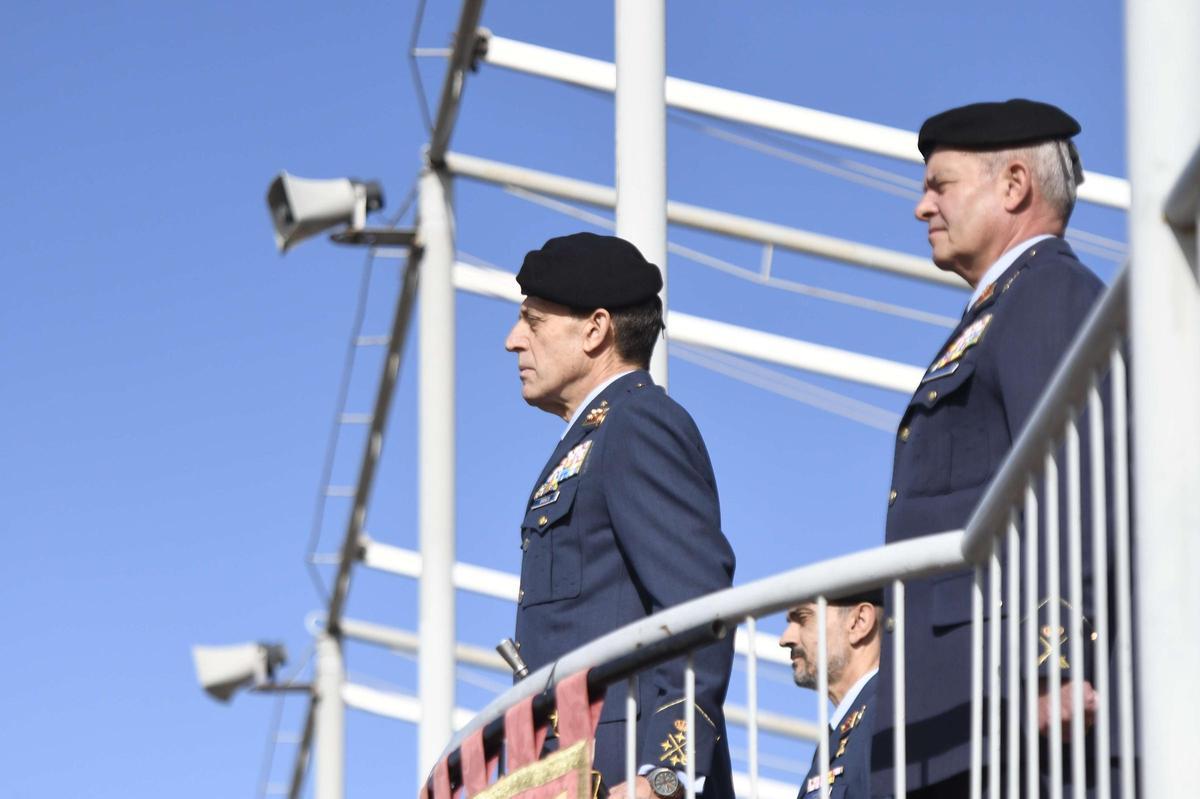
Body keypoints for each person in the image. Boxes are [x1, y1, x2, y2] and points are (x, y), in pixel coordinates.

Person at [869, 99, 1107, 797]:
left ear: (1013, 185)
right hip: (951, 701)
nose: (921, 207)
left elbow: (1073, 478)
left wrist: (1055, 661)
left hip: (1003, 704)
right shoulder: (1004, 306)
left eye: (939, 185)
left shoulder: (1048, 294)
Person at [505, 232, 737, 799]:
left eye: (532, 322)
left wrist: (666, 773)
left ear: (595, 329)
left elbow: (695, 604)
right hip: (569, 769)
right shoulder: (594, 435)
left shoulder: (636, 425)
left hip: (622, 768)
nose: (513, 341)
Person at [779, 592, 883, 799]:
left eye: (803, 618)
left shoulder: (888, 715)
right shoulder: (840, 736)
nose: (785, 639)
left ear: (859, 622)